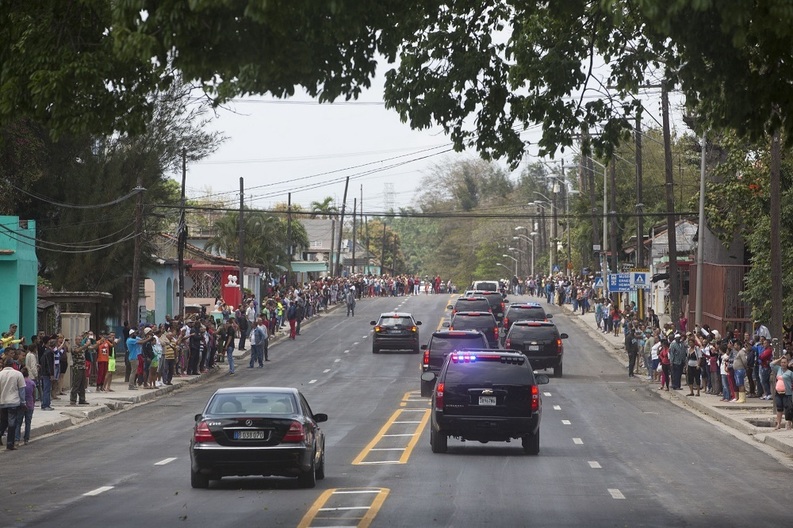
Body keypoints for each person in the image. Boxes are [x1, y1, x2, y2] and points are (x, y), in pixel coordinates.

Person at [0, 358, 25, 450]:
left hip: (2, 402)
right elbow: (22, 390)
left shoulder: (0, 374)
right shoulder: (18, 374)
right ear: (13, 365)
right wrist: (23, 403)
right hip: (13, 402)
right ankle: (10, 444)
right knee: (12, 423)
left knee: (3, 422)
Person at [770, 356, 793, 430]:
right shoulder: (779, 369)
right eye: (782, 362)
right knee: (779, 409)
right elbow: (771, 364)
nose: (783, 364)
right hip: (778, 393)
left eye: (784, 362)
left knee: (788, 409)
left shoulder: (790, 373)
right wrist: (780, 359)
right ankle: (778, 424)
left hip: (787, 393)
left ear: (787, 363)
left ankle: (789, 424)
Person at [14, 367, 35, 445]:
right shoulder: (32, 383)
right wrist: (33, 403)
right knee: (28, 422)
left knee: (18, 422)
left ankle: (17, 439)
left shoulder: (19, 383)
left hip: (21, 404)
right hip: (30, 404)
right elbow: (33, 394)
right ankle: (26, 439)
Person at [70, 336, 90, 405]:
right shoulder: (74, 347)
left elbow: (92, 348)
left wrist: (97, 343)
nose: (80, 341)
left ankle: (82, 399)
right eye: (79, 340)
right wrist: (85, 345)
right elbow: (77, 351)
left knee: (82, 385)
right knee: (76, 384)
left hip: (83, 367)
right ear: (75, 340)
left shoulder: (83, 347)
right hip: (77, 368)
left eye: (81, 340)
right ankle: (73, 399)